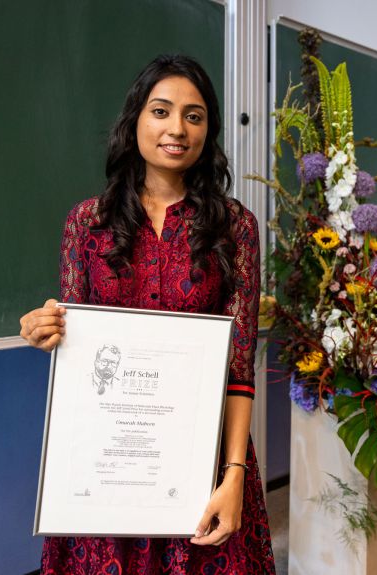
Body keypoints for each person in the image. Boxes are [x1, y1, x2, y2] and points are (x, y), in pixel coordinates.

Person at [19, 54, 275, 574]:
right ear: (135, 119)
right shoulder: (86, 224)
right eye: (161, 111)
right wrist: (45, 328)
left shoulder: (235, 227)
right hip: (108, 469)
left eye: (194, 116)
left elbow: (240, 365)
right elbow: (77, 356)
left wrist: (232, 475)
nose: (177, 128)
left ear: (209, 130)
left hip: (203, 463)